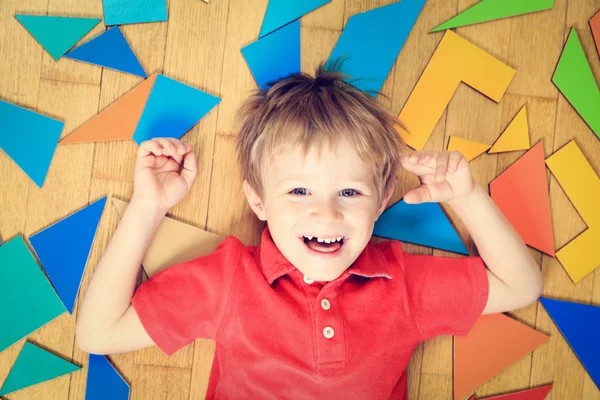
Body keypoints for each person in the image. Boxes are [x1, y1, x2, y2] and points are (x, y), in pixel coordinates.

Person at [76, 64, 543, 399]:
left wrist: (466, 197)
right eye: (299, 191)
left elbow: (521, 286)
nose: (326, 214)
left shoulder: (401, 286)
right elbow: (98, 333)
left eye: (350, 193)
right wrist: (147, 207)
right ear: (258, 201)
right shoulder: (228, 281)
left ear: (381, 204)